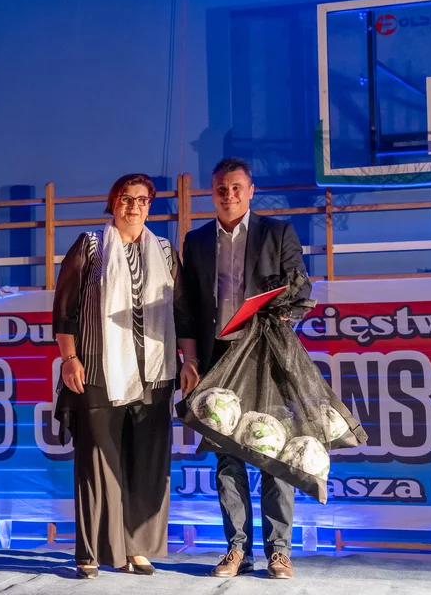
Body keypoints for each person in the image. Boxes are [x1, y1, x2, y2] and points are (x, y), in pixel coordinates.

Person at [178, 158, 310, 580]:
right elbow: (188, 306)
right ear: (211, 193)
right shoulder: (196, 240)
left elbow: (300, 288)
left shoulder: (278, 232)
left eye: (236, 187)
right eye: (221, 188)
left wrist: (278, 313)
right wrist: (191, 360)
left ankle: (279, 551)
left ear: (251, 191)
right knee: (227, 458)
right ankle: (237, 549)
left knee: (273, 453)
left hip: (268, 357)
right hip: (218, 359)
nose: (229, 194)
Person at [53, 173, 189, 579]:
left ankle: (137, 548)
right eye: (126, 198)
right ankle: (92, 551)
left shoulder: (164, 251)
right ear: (113, 202)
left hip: (155, 372)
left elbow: (182, 312)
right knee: (98, 463)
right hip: (98, 370)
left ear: (150, 206)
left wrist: (190, 360)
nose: (134, 206)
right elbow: (65, 309)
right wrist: (69, 358)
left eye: (142, 200)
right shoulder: (90, 245)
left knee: (146, 463)